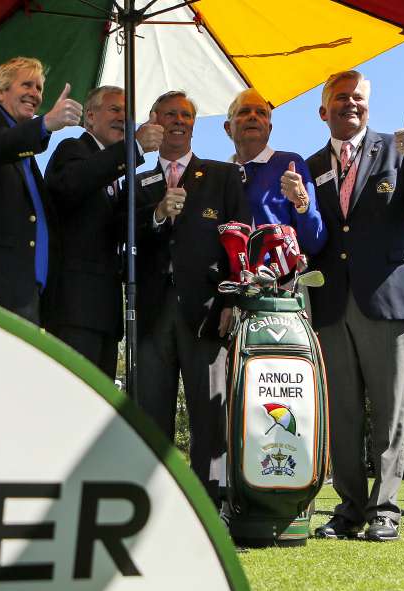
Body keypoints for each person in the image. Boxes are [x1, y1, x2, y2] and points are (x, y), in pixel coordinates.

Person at [295, 70, 404, 541]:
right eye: (340, 98)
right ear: (323, 111)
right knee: (341, 413)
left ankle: (385, 508)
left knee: (390, 410)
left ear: (369, 105)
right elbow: (314, 232)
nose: (350, 104)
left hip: (389, 302)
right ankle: (349, 509)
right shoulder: (309, 164)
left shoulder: (397, 149)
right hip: (331, 303)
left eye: (358, 98)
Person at [134, 90, 251, 501]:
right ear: (154, 120)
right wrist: (157, 213)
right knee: (150, 416)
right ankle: (153, 504)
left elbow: (242, 243)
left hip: (206, 312)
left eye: (186, 114)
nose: (178, 121)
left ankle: (209, 505)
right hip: (149, 316)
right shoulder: (139, 180)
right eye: (169, 114)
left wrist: (233, 301)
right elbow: (123, 235)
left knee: (208, 415)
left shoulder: (222, 175)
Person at [43, 86, 164, 376]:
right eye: (114, 109)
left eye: (127, 113)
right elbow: (73, 184)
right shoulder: (73, 150)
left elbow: (118, 225)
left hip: (105, 313)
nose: (123, 117)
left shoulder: (114, 172)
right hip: (75, 310)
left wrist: (158, 213)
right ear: (90, 118)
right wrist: (132, 149)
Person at [0, 57, 83, 323]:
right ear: (0, 91)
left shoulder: (30, 150)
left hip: (34, 294)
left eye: (39, 88)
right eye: (27, 84)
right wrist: (44, 125)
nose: (35, 94)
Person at [223, 88, 325, 257]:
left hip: (281, 280)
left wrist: (302, 204)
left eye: (261, 113)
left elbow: (315, 242)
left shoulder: (289, 164)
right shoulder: (219, 175)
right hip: (231, 281)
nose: (253, 116)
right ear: (227, 127)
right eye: (244, 111)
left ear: (269, 128)